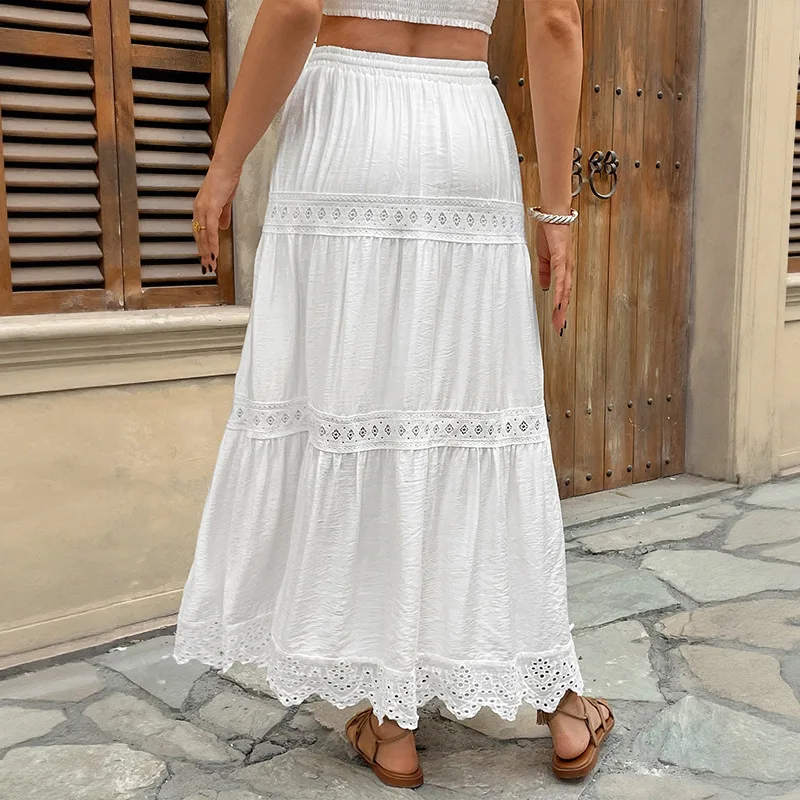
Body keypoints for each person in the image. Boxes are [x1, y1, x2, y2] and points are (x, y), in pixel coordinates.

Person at [173, 0, 613, 787]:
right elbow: (556, 22)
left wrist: (226, 162)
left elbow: (296, 8)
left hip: (345, 133)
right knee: (477, 414)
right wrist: (556, 212)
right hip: (463, 130)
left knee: (355, 408)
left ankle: (393, 725)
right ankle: (562, 706)